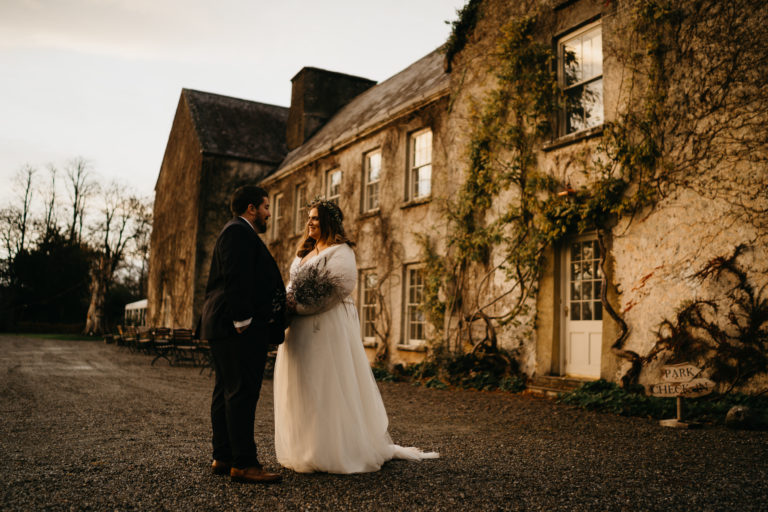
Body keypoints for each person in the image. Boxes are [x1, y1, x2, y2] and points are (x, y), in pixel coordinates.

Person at [273, 198, 438, 473]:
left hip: (324, 329)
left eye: (315, 217)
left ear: (329, 222)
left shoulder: (342, 252)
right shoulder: (303, 253)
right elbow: (291, 284)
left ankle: (334, 450)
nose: (309, 222)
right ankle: (304, 449)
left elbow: (337, 289)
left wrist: (298, 307)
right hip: (298, 333)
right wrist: (287, 304)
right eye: (309, 218)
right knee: (301, 388)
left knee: (325, 386)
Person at [199, 185, 286, 484]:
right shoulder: (238, 232)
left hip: (223, 324)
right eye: (265, 207)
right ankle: (244, 463)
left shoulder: (236, 231)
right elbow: (236, 277)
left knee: (226, 390)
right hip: (235, 326)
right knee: (242, 393)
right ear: (251, 208)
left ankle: (223, 456)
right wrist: (243, 320)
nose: (268, 213)